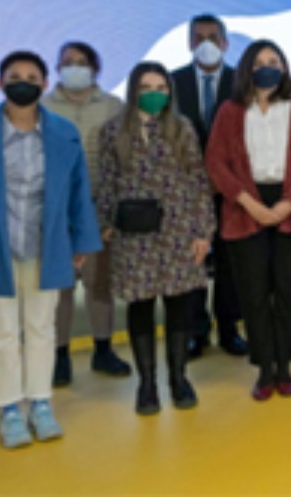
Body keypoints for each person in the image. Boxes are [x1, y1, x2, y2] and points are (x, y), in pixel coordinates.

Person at [0, 51, 101, 449]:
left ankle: (40, 402)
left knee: (41, 327)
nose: (24, 81)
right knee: (0, 330)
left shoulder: (63, 134)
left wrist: (82, 241)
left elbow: (79, 193)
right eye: (14, 75)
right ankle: (8, 408)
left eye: (32, 76)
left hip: (46, 245)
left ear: (45, 84)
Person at [204, 39, 291, 401]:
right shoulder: (229, 111)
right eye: (259, 62)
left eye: (274, 60)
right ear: (246, 68)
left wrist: (289, 203)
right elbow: (217, 163)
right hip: (246, 206)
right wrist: (248, 202)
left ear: (286, 67)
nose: (267, 67)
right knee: (254, 294)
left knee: (287, 291)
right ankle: (263, 369)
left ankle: (285, 365)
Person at [94, 62, 213, 415]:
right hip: (134, 233)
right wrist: (104, 223)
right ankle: (147, 384)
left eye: (161, 86)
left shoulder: (182, 128)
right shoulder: (112, 131)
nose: (154, 93)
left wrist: (203, 231)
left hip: (179, 229)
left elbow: (198, 181)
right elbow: (106, 181)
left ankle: (178, 377)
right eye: (147, 86)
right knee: (140, 305)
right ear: (133, 90)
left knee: (179, 304)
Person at [43, 41, 130, 384]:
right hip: (55, 215)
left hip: (98, 213)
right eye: (67, 62)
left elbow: (124, 161)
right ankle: (60, 355)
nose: (74, 67)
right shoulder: (43, 107)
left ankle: (103, 350)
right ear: (56, 68)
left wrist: (112, 215)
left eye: (82, 62)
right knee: (60, 287)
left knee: (99, 285)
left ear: (95, 69)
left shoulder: (114, 106)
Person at [170, 13, 246, 359]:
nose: (206, 44)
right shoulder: (171, 83)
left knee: (231, 263)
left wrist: (226, 181)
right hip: (187, 193)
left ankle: (229, 329)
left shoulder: (242, 84)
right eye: (198, 37)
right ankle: (195, 332)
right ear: (188, 43)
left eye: (213, 37)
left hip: (232, 191)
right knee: (193, 263)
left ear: (226, 43)